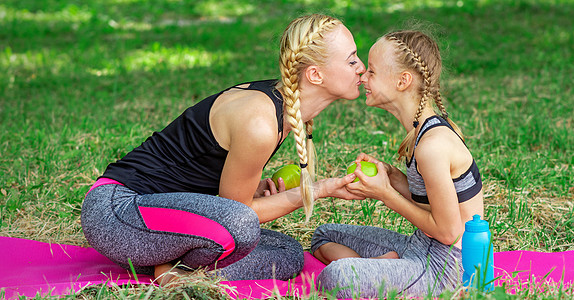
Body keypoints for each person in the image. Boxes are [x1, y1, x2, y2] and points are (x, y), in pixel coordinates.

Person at [80, 14, 366, 285]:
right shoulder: (260, 122)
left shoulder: (281, 107)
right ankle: (173, 267)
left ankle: (176, 267)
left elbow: (218, 189)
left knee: (287, 252)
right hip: (118, 213)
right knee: (241, 225)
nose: (361, 68)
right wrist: (318, 190)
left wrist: (253, 188)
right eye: (352, 60)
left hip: (165, 223)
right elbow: (239, 215)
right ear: (315, 75)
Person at [311, 30, 485, 298]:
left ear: (403, 81)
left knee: (337, 278)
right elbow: (430, 200)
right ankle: (386, 269)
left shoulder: (432, 146)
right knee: (324, 235)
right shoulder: (421, 132)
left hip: (444, 268)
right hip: (420, 245)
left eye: (372, 71)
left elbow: (449, 232)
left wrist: (385, 195)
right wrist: (392, 176)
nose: (363, 77)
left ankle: (383, 271)